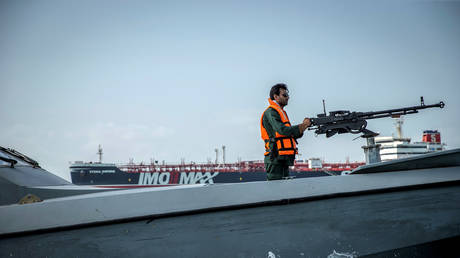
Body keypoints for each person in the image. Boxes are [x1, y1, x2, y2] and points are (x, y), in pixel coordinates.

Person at [260, 83, 311, 180]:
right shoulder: (271, 112)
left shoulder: (281, 112)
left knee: (284, 190)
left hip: (282, 157)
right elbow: (282, 130)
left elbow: (290, 134)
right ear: (276, 96)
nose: (287, 98)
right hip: (274, 158)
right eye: (284, 95)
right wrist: (303, 125)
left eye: (287, 95)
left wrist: (303, 127)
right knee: (275, 190)